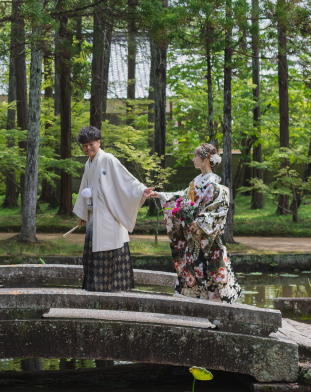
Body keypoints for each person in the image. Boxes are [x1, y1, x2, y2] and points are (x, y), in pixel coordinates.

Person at [149, 143, 242, 303]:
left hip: (209, 239)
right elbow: (181, 197)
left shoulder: (217, 187)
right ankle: (191, 308)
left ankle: (217, 311)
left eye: (195, 156)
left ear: (205, 159)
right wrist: (160, 195)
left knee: (214, 279)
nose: (193, 159)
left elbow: (218, 212)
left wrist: (199, 223)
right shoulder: (196, 183)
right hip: (194, 240)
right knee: (191, 275)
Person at [73, 126, 156, 292]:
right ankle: (95, 290)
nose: (88, 148)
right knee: (94, 253)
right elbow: (85, 189)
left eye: (91, 144)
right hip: (94, 216)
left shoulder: (108, 159)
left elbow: (125, 180)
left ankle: (115, 291)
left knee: (110, 251)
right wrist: (84, 213)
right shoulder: (88, 164)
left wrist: (141, 190)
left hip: (109, 216)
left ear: (99, 142)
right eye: (84, 145)